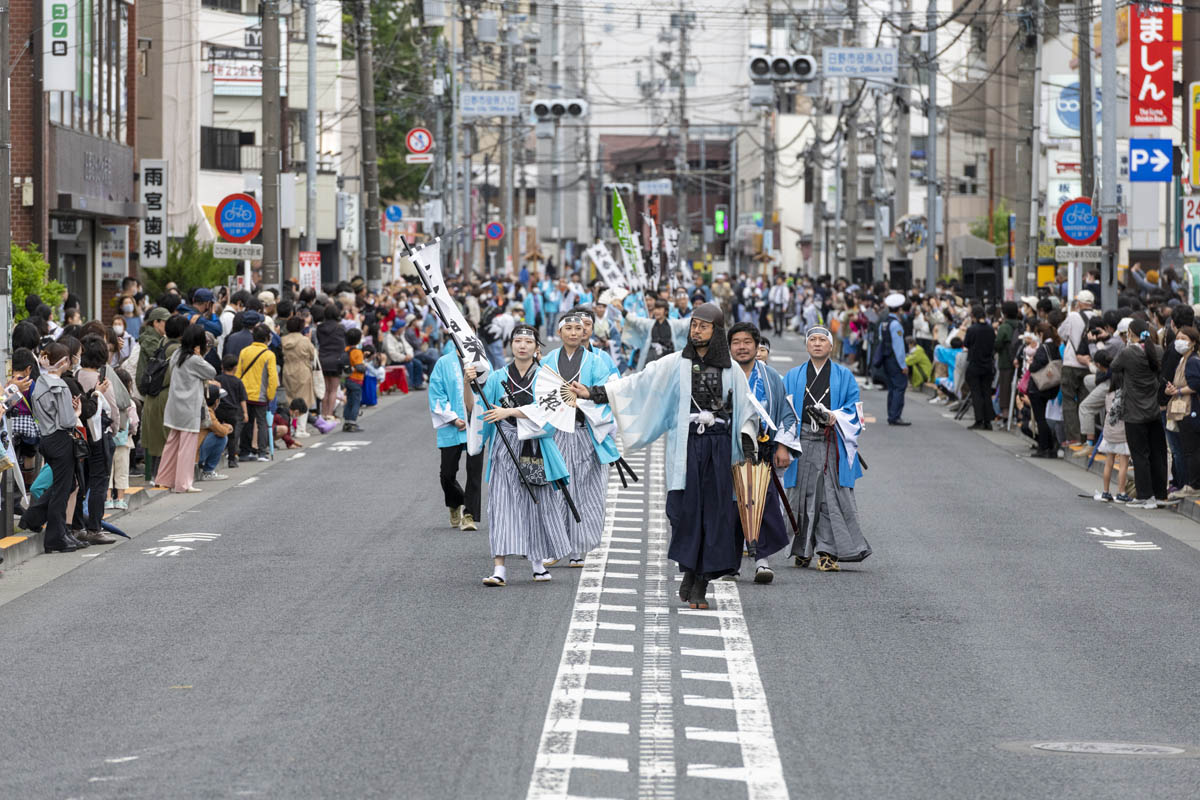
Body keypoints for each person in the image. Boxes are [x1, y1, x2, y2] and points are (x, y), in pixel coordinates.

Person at [570, 303, 759, 610]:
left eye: (703, 326)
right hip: (687, 447)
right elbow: (637, 384)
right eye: (694, 325)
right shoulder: (675, 364)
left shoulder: (732, 370)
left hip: (720, 447)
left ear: (716, 331)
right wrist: (594, 393)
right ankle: (689, 569)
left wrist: (747, 443)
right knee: (681, 511)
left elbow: (747, 411)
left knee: (715, 515)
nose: (696, 330)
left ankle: (701, 582)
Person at [463, 324, 572, 586]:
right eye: (517, 340)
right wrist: (468, 383)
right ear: (510, 345)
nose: (522, 345)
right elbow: (474, 407)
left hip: (534, 447)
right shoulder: (498, 375)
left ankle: (537, 563)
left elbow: (551, 412)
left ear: (537, 348)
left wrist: (509, 412)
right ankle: (499, 568)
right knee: (501, 506)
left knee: (536, 505)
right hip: (504, 447)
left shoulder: (547, 377)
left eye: (528, 341)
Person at [782, 326, 871, 571]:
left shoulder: (844, 376)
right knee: (800, 495)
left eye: (823, 340)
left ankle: (828, 551)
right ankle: (802, 549)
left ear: (831, 346)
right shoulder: (793, 376)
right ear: (807, 345)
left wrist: (835, 416)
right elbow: (785, 411)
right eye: (813, 339)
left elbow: (856, 411)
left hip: (832, 441)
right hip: (802, 442)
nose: (818, 343)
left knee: (831, 497)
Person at [541, 312, 620, 566]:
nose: (575, 332)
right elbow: (540, 395)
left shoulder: (597, 363)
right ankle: (555, 544)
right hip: (556, 433)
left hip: (585, 431)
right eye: (569, 328)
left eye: (579, 328)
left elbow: (608, 395)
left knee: (585, 490)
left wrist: (583, 401)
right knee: (556, 489)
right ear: (560, 332)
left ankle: (577, 547)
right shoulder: (549, 361)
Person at [727, 322, 799, 583]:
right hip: (730, 451)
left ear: (757, 346)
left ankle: (762, 562)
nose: (742, 347)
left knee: (762, 504)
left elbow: (788, 416)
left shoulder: (771, 378)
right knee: (731, 509)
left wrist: (782, 446)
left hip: (762, 452)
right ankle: (730, 565)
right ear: (729, 346)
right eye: (736, 342)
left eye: (748, 342)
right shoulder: (723, 374)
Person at [155, 325, 217, 493]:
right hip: (189, 407)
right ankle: (183, 483)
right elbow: (211, 372)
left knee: (172, 443)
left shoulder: (177, 354)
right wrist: (200, 355)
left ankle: (164, 478)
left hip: (175, 405)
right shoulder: (194, 360)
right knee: (187, 447)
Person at [428, 346, 484, 531]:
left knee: (474, 473)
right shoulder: (444, 362)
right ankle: (455, 501)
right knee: (447, 473)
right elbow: (436, 393)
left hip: (475, 424)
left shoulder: (482, 362)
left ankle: (469, 515)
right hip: (451, 425)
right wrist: (451, 418)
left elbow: (488, 390)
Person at [1112, 319, 1167, 508]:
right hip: (1154, 411)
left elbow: (1114, 366)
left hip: (1134, 412)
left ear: (1131, 333)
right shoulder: (1158, 350)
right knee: (1157, 453)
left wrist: (1127, 346)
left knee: (1140, 455)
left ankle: (1145, 495)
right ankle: (1160, 494)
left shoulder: (1129, 352)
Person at [1090, 349, 1130, 502]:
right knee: (1123, 464)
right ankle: (1121, 493)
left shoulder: (1108, 394)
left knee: (1109, 462)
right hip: (1122, 432)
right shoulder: (1125, 395)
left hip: (1109, 431)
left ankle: (1105, 492)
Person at [136, 307, 172, 481]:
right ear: (156, 322)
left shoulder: (156, 338)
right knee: (155, 433)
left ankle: (155, 473)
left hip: (149, 388)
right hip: (151, 389)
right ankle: (153, 473)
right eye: (165, 321)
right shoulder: (151, 340)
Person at [1165, 326, 1200, 500]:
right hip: (1181, 410)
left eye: (1184, 338)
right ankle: (1188, 484)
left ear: (1193, 342)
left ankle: (1193, 485)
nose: (1179, 341)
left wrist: (1178, 392)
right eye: (1178, 338)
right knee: (1185, 449)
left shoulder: (1192, 360)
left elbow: (1195, 385)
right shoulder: (1182, 359)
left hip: (1189, 410)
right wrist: (1173, 389)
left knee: (1191, 450)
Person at [1057, 290, 1095, 445]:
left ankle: (1073, 437)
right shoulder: (1097, 317)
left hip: (1072, 363)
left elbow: (1062, 333)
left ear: (1079, 303)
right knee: (1085, 401)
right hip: (1089, 364)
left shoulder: (1073, 316)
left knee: (1068, 399)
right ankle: (1086, 437)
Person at [237, 325, 279, 461]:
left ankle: (244, 451)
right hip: (261, 395)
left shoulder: (244, 351)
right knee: (261, 423)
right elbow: (273, 378)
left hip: (244, 393)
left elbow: (239, 373)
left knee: (245, 422)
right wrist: (270, 395)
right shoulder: (269, 355)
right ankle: (261, 452)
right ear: (267, 338)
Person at [1026, 323, 1062, 459]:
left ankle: (1044, 447)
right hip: (1051, 386)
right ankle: (1050, 447)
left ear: (1041, 334)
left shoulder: (1044, 348)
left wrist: (1031, 364)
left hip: (1039, 387)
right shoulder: (1055, 346)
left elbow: (1037, 365)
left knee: (1040, 419)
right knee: (1043, 418)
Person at [623, 298, 690, 371]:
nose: (656, 311)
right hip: (651, 360)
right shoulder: (649, 324)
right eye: (655, 309)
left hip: (668, 361)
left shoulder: (673, 324)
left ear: (666, 311)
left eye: (659, 309)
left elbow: (686, 323)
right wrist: (622, 310)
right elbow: (635, 321)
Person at [875, 292, 910, 425]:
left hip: (886, 358)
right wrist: (903, 365)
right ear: (900, 309)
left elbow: (880, 340)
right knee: (899, 387)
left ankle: (892, 414)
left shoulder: (884, 323)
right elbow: (898, 347)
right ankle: (895, 416)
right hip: (895, 360)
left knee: (892, 387)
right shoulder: (896, 324)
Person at [281, 316, 317, 430]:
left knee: (290, 400)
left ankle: (291, 426)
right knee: (304, 400)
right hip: (303, 370)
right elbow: (312, 355)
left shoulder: (283, 340)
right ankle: (301, 428)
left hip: (287, 370)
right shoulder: (304, 340)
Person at [963, 304, 996, 430]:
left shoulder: (972, 329)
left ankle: (979, 420)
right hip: (987, 364)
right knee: (986, 392)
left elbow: (966, 344)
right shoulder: (990, 329)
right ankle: (988, 421)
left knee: (976, 393)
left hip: (975, 364)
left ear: (973, 316)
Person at [215, 354, 249, 468]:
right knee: (232, 436)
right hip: (232, 411)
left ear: (222, 366)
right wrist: (245, 413)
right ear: (235, 367)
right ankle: (232, 459)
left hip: (218, 409)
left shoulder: (217, 379)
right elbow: (242, 399)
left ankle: (216, 457)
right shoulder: (238, 381)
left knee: (216, 432)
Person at [316, 304, 347, 420]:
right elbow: (344, 344)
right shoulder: (341, 328)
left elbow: (319, 342)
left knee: (325, 389)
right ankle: (329, 413)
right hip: (336, 360)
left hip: (323, 360)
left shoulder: (320, 328)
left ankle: (323, 414)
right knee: (333, 389)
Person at [342, 327, 366, 433]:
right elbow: (359, 367)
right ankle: (352, 423)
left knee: (349, 402)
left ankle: (346, 422)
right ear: (359, 340)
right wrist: (365, 367)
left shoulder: (346, 350)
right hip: (356, 380)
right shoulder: (357, 352)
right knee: (356, 402)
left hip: (347, 379)